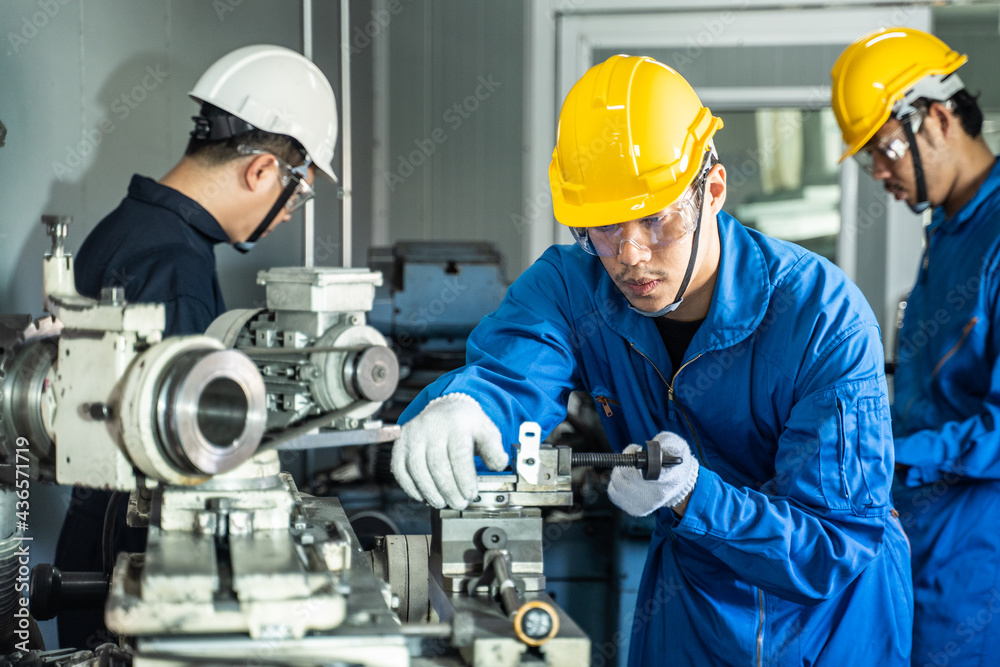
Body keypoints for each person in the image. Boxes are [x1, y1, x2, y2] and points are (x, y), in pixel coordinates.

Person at [391, 54, 912, 665]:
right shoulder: (574, 285)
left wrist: (694, 494)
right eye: (604, 227)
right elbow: (512, 368)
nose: (630, 255)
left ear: (712, 190)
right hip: (689, 599)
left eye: (655, 218)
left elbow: (831, 546)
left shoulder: (821, 316)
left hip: (830, 626)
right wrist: (466, 403)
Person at [54, 44, 339, 649]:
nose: (290, 214)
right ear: (262, 171)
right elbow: (184, 444)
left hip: (96, 531)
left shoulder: (132, 225)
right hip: (131, 546)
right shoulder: (173, 262)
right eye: (300, 195)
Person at [832, 27, 1000, 666]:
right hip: (918, 530)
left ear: (934, 118)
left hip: (976, 552)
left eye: (883, 148)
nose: (878, 171)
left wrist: (893, 453)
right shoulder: (950, 231)